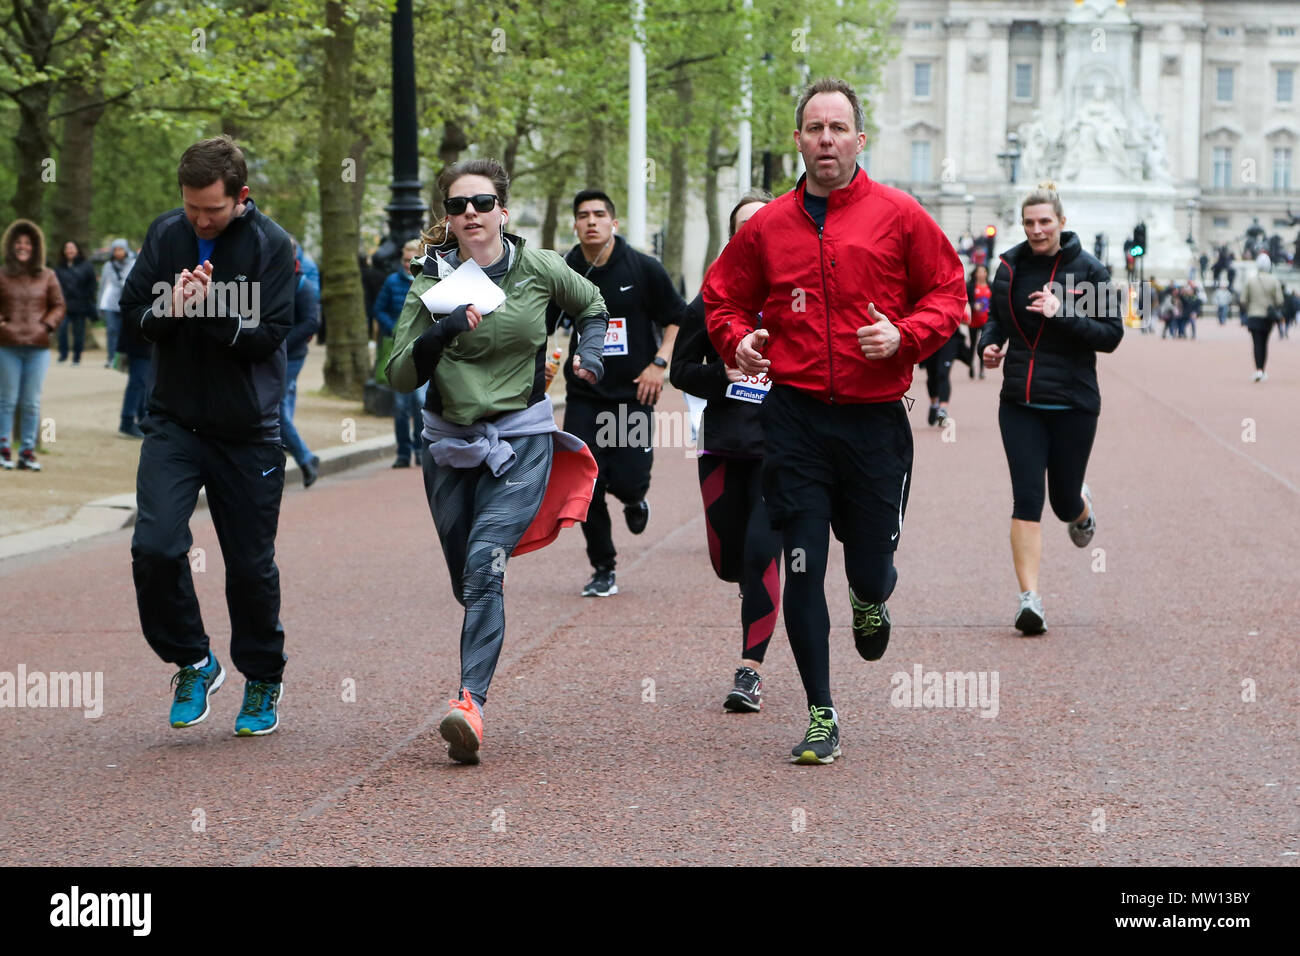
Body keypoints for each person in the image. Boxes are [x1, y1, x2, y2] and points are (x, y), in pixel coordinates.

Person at [703, 77, 966, 764]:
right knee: (800, 566)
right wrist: (740, 341)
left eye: (838, 128)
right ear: (798, 140)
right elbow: (721, 298)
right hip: (794, 423)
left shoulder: (900, 216)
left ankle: (871, 597)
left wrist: (904, 337)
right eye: (814, 128)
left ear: (859, 139)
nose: (826, 140)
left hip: (874, 423)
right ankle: (822, 712)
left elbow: (949, 292)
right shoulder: (767, 226)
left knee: (871, 569)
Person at [385, 158, 608, 765]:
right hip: (449, 444)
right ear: (448, 219)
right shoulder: (432, 278)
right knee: (467, 578)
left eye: (482, 203)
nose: (471, 215)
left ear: (503, 212)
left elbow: (592, 304)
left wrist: (592, 353)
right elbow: (399, 373)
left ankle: (469, 706)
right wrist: (440, 331)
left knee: (485, 565)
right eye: (458, 207)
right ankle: (477, 658)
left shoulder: (537, 267)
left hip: (522, 440)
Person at [118, 135, 296, 736]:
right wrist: (172, 306)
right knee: (156, 548)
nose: (200, 219)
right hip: (173, 421)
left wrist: (208, 309)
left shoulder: (272, 244)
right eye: (192, 206)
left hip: (247, 431)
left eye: (213, 210)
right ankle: (194, 659)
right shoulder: (166, 234)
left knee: (249, 567)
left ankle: (263, 677)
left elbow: (271, 334)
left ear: (240, 197)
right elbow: (133, 317)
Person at [980, 181, 1123, 635]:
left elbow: (1111, 336)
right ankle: (1030, 600)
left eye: (1045, 222)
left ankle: (1081, 507)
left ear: (1062, 222)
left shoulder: (1091, 271)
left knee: (1062, 502)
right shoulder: (1008, 266)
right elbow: (997, 320)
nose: (1037, 230)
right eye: (1029, 223)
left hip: (1073, 402)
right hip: (1019, 402)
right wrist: (989, 344)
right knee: (1027, 498)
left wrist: (1062, 312)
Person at [670, 189, 779, 713]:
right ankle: (751, 595)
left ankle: (749, 670)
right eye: (744, 228)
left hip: (781, 449)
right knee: (727, 561)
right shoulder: (712, 299)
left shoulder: (799, 296)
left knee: (762, 554)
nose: (754, 236)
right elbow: (679, 372)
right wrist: (723, 373)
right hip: (722, 445)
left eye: (764, 226)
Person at [553, 189, 687, 598]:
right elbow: (538, 324)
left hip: (632, 394)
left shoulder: (643, 268)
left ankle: (634, 499)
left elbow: (678, 319)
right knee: (585, 482)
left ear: (614, 223)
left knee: (628, 481)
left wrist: (659, 365)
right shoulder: (564, 271)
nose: (591, 221)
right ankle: (603, 567)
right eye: (583, 216)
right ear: (574, 225)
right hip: (584, 394)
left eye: (599, 214)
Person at [0, 219, 65, 470]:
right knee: (6, 400)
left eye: (27, 243)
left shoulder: (48, 276)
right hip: (7, 345)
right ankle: (4, 448)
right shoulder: (3, 274)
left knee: (31, 402)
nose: (23, 246)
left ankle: (27, 451)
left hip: (37, 347)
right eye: (18, 242)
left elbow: (58, 305)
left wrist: (46, 326)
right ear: (11, 246)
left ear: (35, 247)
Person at [374, 239, 423, 468]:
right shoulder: (392, 282)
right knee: (401, 406)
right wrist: (394, 327)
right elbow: (378, 309)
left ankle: (421, 450)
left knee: (420, 403)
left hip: (423, 352)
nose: (406, 264)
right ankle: (403, 452)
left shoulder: (428, 281)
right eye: (404, 260)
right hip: (399, 353)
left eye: (411, 260)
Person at [281, 249, 321, 486]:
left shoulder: (304, 286)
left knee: (274, 409)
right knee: (281, 406)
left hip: (291, 356)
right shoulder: (271, 280)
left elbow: (310, 324)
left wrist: (279, 344)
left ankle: (305, 458)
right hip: (275, 354)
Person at [1241, 252, 1283, 382]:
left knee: (1256, 343)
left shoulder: (1251, 280)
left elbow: (1243, 299)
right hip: (1267, 316)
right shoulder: (1274, 280)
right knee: (1264, 343)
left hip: (1254, 315)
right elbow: (1279, 300)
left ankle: (1258, 369)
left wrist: (1250, 308)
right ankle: (1263, 370)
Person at [54, 240, 96, 365]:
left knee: (79, 332)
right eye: (67, 248)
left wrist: (87, 298)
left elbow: (92, 284)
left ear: (77, 250)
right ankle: (63, 354)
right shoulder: (59, 267)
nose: (70, 250)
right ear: (64, 251)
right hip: (63, 304)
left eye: (72, 248)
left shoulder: (86, 266)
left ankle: (77, 357)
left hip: (80, 304)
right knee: (61, 330)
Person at [98, 239, 135, 367]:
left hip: (128, 303)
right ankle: (111, 357)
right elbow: (103, 286)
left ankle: (124, 359)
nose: (118, 252)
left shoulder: (133, 264)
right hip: (111, 303)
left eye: (121, 249)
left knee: (125, 332)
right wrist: (99, 304)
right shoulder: (108, 266)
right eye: (116, 249)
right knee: (112, 331)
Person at [966, 263, 991, 378]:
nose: (982, 274)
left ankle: (981, 370)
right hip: (973, 321)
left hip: (986, 321)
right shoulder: (970, 287)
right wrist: (973, 306)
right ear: (975, 274)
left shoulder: (990, 286)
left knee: (983, 345)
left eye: (984, 271)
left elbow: (995, 301)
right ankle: (971, 366)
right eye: (979, 272)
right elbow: (965, 302)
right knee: (972, 345)